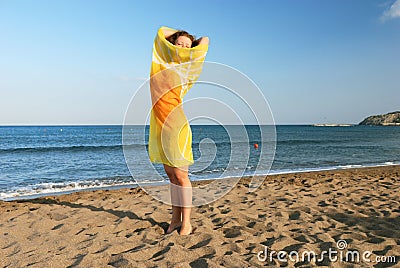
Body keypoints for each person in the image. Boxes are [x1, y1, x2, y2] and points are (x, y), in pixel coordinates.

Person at [148, 27, 209, 235]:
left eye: (187, 46)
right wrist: (181, 34)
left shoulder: (188, 70)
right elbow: (161, 31)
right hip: (160, 126)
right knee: (172, 178)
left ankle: (187, 223)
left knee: (182, 177)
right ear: (172, 44)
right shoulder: (160, 61)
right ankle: (174, 221)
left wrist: (190, 43)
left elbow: (205, 41)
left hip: (177, 127)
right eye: (179, 44)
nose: (183, 48)